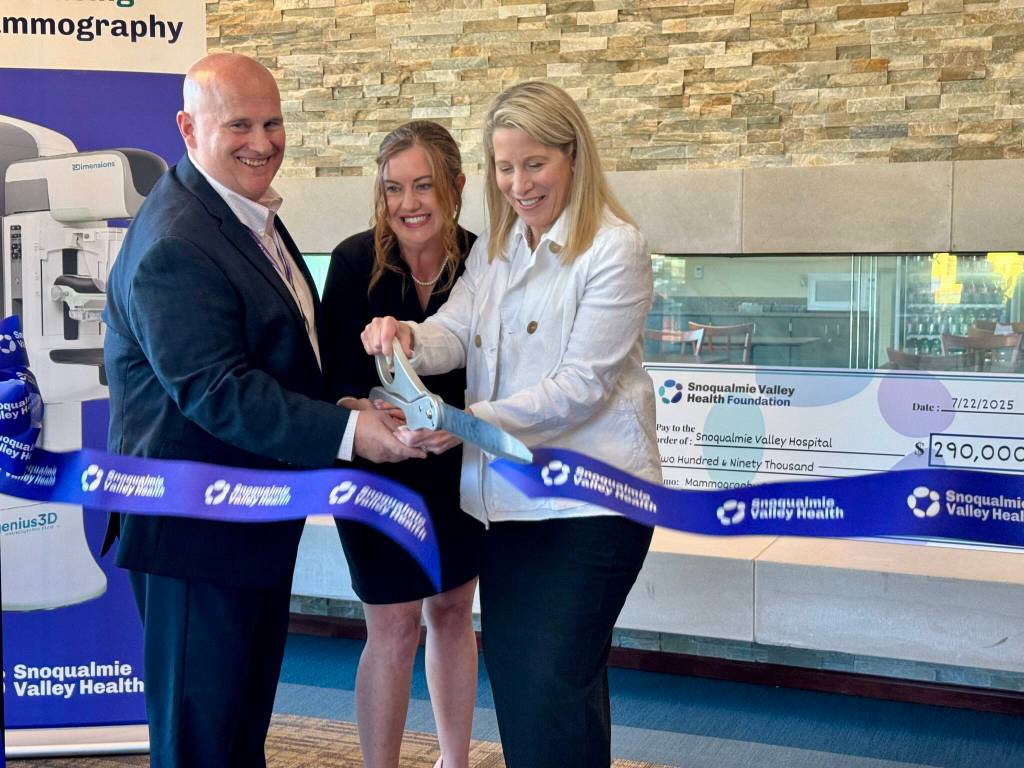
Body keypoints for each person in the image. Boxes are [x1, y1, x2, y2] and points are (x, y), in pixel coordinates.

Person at [101, 53, 423, 768]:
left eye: (273, 121)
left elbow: (267, 354)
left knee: (238, 736)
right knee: (199, 745)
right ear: (188, 128)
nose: (263, 140)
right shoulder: (178, 241)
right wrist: (348, 433)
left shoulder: (243, 211)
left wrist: (338, 402)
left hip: (245, 524)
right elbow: (215, 389)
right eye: (239, 124)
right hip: (193, 535)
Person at [361, 81, 662, 768]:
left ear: (573, 158)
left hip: (596, 503)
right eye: (505, 166)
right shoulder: (500, 248)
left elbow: (580, 389)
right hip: (514, 504)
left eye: (534, 164)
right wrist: (407, 334)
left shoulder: (616, 249)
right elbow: (454, 332)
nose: (518, 184)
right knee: (544, 685)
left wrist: (466, 423)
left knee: (548, 682)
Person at [320, 121, 481, 768]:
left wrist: (459, 421)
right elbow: (331, 374)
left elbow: (504, 375)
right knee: (390, 625)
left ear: (457, 187)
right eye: (393, 188)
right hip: (375, 469)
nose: (409, 203)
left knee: (450, 613)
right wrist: (363, 409)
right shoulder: (354, 259)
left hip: (459, 466)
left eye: (424, 186)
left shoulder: (487, 264)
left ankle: (455, 760)